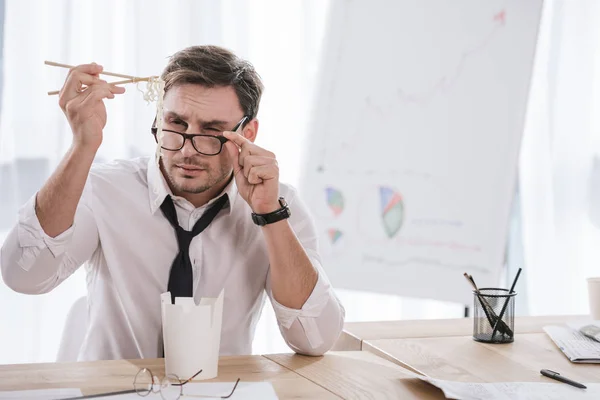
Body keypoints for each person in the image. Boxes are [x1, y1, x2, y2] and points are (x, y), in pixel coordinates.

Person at [0, 45, 345, 361]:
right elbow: (23, 276)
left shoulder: (277, 203)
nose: (187, 149)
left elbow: (314, 339)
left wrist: (271, 216)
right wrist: (82, 146)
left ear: (248, 134)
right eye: (175, 123)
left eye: (211, 131)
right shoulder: (102, 189)